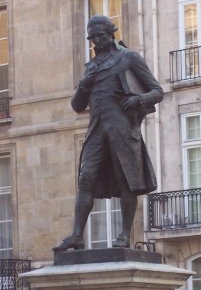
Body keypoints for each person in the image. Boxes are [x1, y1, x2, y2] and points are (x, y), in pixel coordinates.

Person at [53, 15, 163, 251]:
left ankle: (124, 235)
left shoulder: (128, 57)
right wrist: (85, 83)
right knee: (85, 179)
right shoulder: (91, 67)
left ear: (111, 33)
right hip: (97, 130)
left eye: (100, 36)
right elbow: (77, 106)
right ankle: (76, 235)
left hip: (123, 130)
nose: (96, 41)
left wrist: (137, 100)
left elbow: (157, 91)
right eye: (92, 38)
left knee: (127, 183)